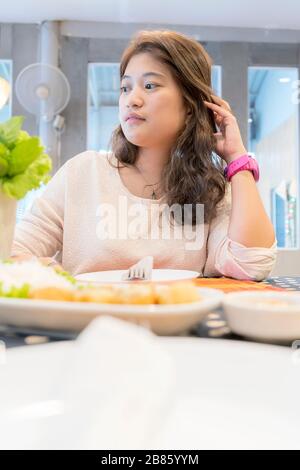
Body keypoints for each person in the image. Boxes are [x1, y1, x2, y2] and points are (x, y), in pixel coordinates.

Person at [11, 30, 277, 280]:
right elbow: (13, 251)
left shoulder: (212, 188)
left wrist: (237, 159)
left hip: (176, 325)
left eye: (149, 86)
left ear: (190, 105)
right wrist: (45, 270)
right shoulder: (82, 173)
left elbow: (251, 264)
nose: (132, 99)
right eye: (125, 88)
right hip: (87, 323)